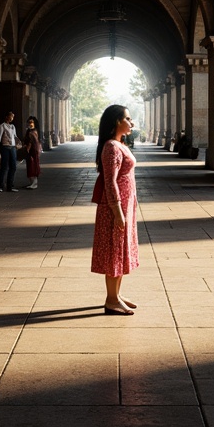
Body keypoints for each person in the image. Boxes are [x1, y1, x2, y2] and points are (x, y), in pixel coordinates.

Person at [90, 104, 139, 315]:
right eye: (127, 119)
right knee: (114, 252)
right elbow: (110, 182)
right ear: (116, 122)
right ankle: (111, 300)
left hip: (125, 207)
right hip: (114, 208)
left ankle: (116, 295)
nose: (131, 122)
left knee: (121, 250)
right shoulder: (111, 147)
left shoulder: (119, 144)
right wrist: (117, 211)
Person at [0, 110, 20, 193]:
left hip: (12, 148)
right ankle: (0, 186)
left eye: (13, 116)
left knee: (13, 167)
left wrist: (18, 143)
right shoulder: (2, 126)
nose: (12, 118)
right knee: (4, 167)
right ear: (7, 117)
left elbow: (15, 137)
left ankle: (10, 185)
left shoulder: (13, 127)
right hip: (5, 148)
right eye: (11, 116)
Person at [22, 116, 42, 189]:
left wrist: (27, 149)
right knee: (30, 166)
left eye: (31, 122)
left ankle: (34, 183)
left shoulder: (33, 132)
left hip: (33, 151)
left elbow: (31, 142)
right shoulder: (31, 132)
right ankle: (32, 183)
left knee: (32, 166)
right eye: (29, 122)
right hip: (32, 151)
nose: (30, 124)